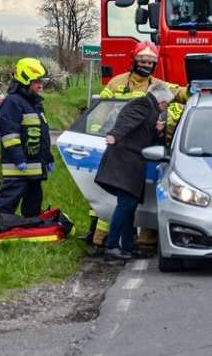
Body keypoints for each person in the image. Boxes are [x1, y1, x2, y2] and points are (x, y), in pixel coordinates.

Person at [89, 41, 188, 249]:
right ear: (134, 61)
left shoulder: (159, 85)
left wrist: (200, 87)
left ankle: (129, 245)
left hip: (138, 153)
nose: (146, 65)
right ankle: (108, 243)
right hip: (121, 150)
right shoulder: (117, 83)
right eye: (142, 61)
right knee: (122, 203)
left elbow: (180, 93)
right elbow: (101, 111)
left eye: (150, 62)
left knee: (130, 203)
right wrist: (104, 135)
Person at [95, 82, 174, 262]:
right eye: (165, 104)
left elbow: (146, 135)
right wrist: (115, 134)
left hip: (132, 162)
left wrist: (158, 131)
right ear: (160, 100)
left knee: (129, 206)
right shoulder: (143, 104)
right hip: (125, 161)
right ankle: (112, 246)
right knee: (126, 205)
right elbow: (128, 120)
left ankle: (128, 247)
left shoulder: (152, 110)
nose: (165, 108)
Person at [0, 58, 54, 227]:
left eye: (42, 81)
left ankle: (30, 228)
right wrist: (19, 159)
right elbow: (10, 135)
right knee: (8, 199)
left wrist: (48, 158)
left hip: (34, 166)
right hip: (17, 167)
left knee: (34, 202)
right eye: (37, 81)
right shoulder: (12, 103)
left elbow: (42, 136)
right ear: (26, 81)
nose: (41, 85)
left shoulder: (35, 104)